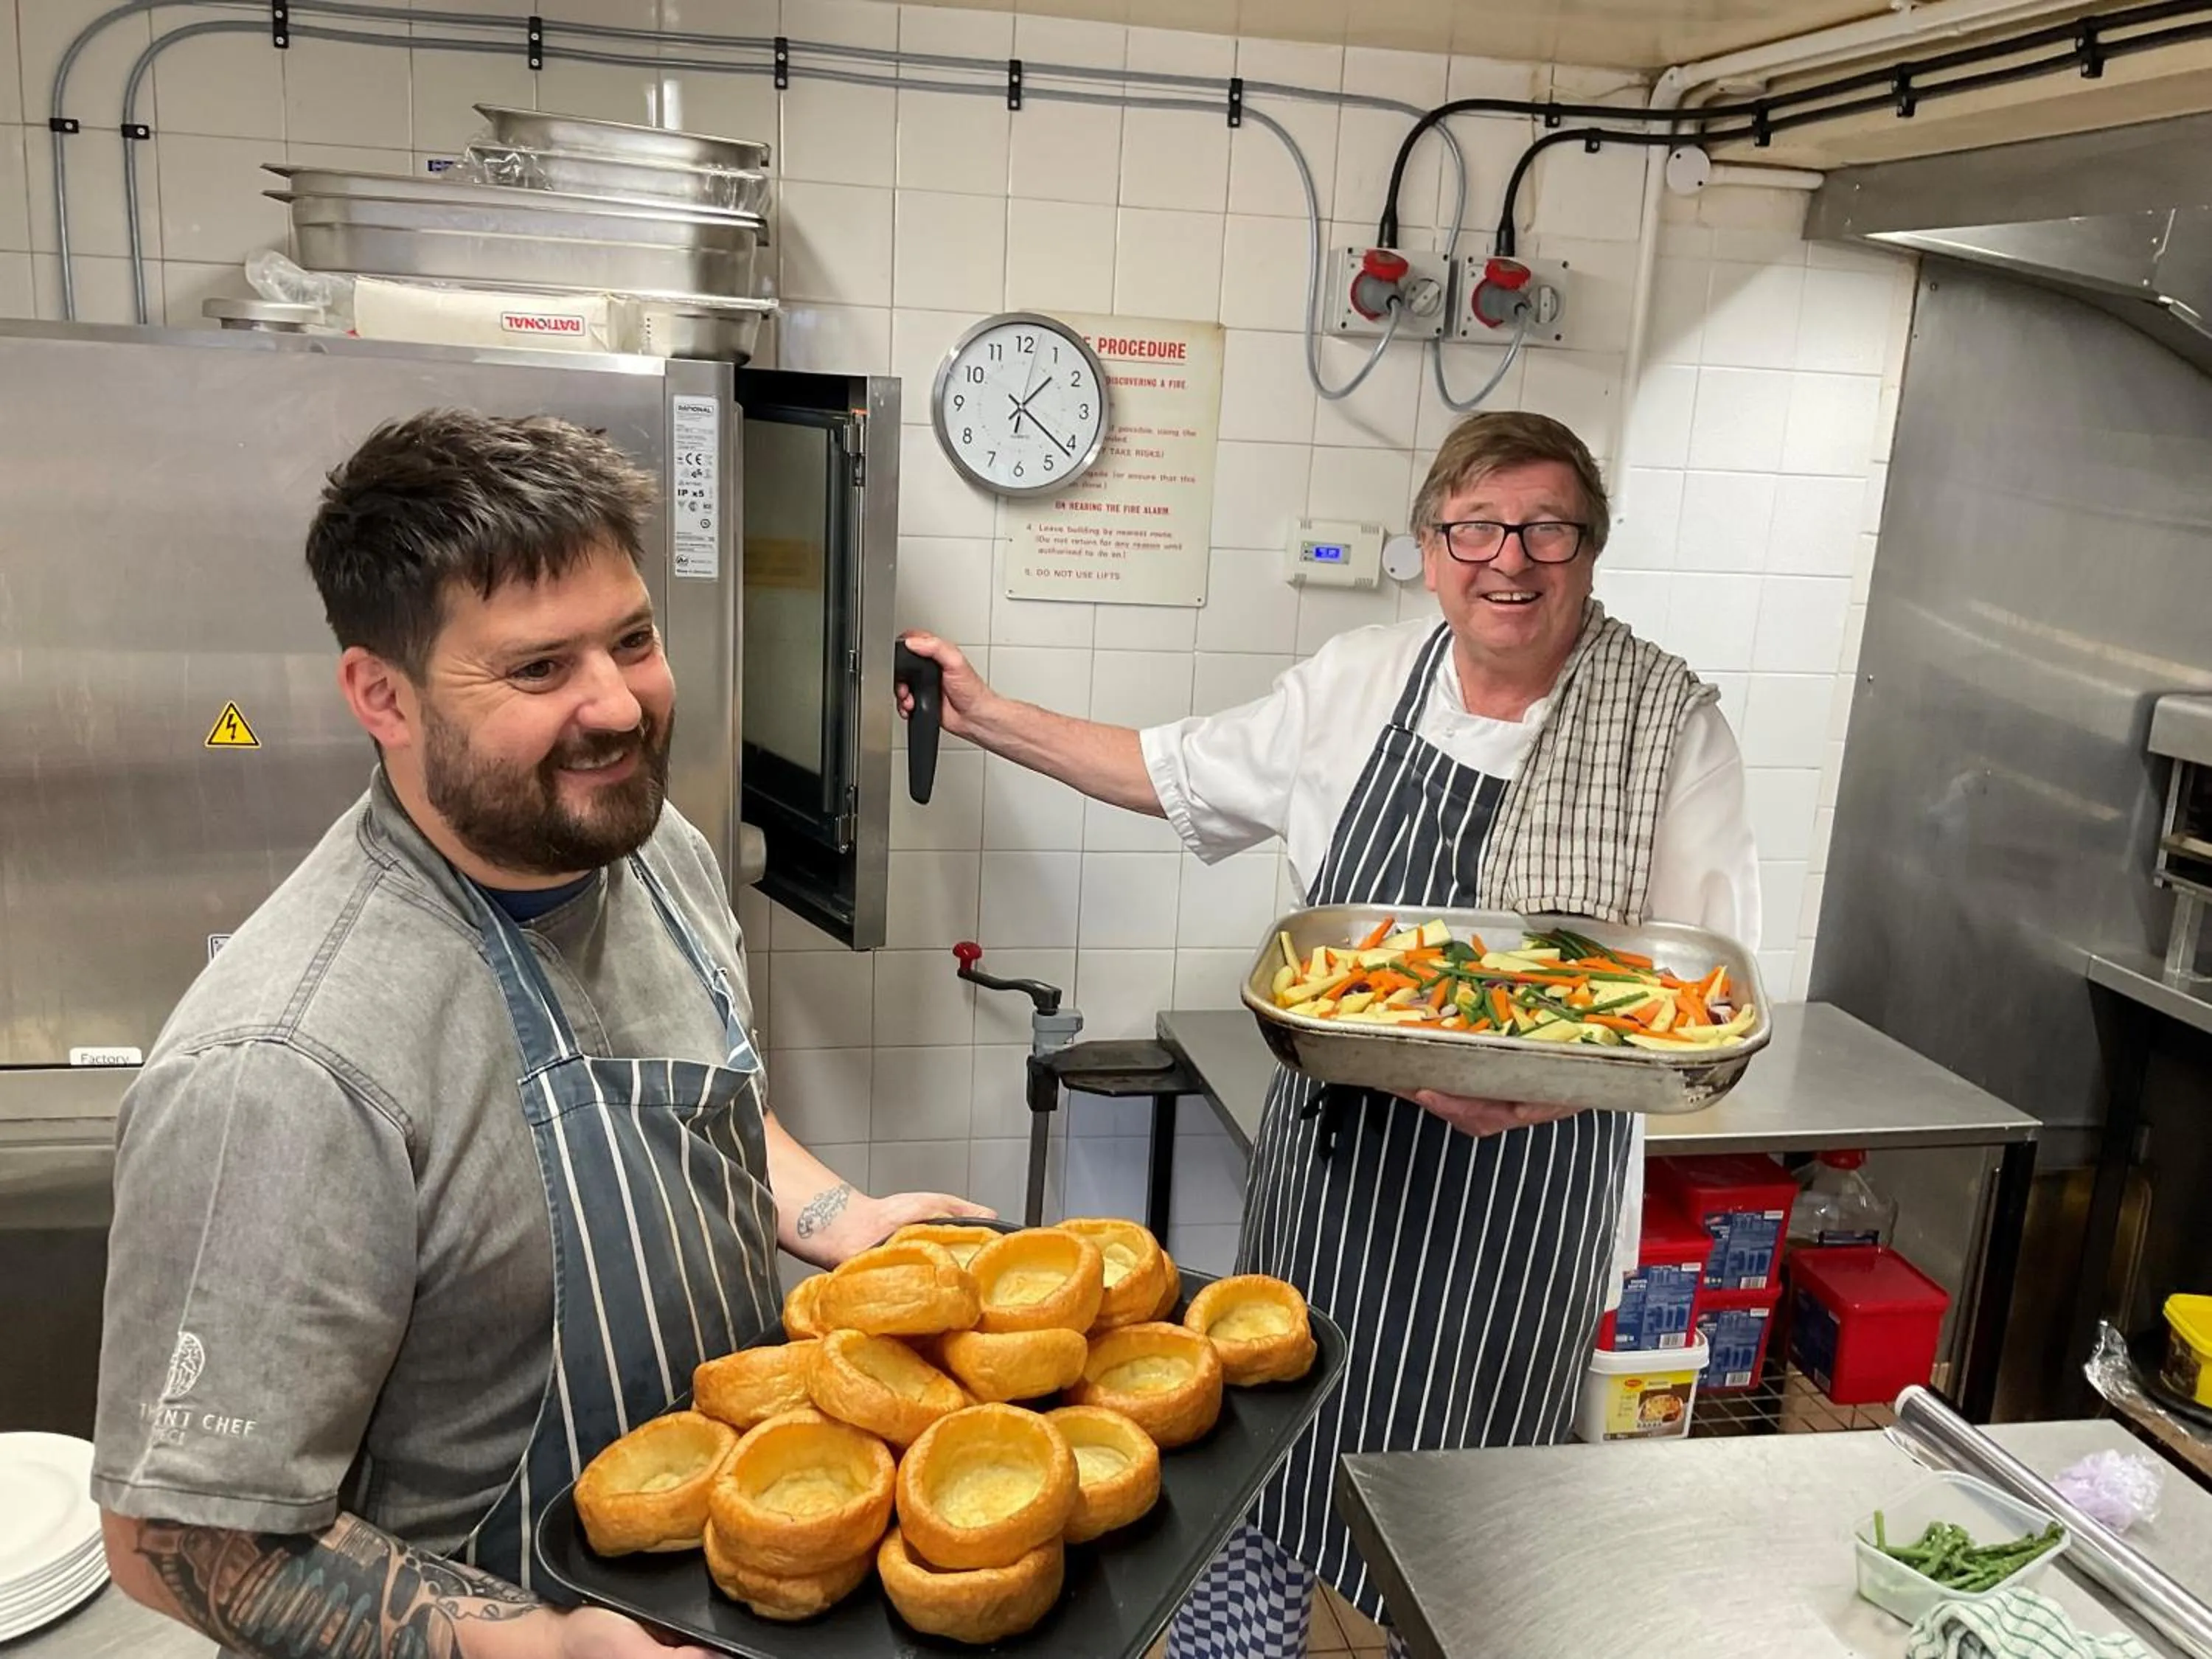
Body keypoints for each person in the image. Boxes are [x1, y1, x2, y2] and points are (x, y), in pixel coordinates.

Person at [93, 410, 990, 1659]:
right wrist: (553, 1648)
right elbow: (175, 1538)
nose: (618, 706)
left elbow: (701, 1096)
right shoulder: (289, 1066)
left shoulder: (650, 853)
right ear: (382, 695)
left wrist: (843, 1218)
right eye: (538, 669)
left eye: (633, 640)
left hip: (721, 1592)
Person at [897, 410, 1758, 1657]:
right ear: (1430, 547)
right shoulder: (1358, 684)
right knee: (1273, 1454)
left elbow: (1704, 999)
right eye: (1476, 527)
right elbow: (1166, 770)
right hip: (1340, 1180)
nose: (1509, 559)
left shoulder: (1669, 726)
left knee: (1465, 1513)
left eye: (1547, 529)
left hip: (1526, 1203)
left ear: (1592, 547)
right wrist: (984, 714)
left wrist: (1546, 1083)